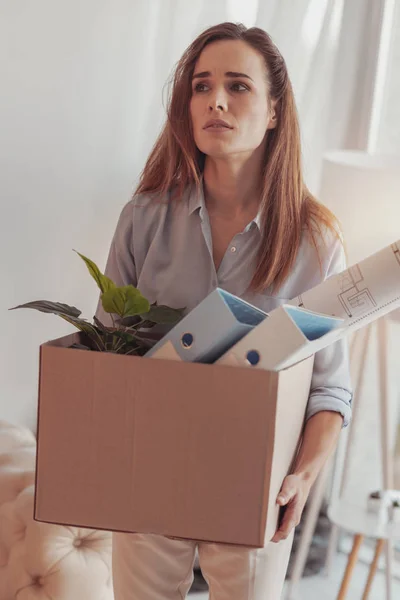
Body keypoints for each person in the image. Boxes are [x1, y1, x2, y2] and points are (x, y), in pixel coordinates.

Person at [96, 21, 352, 600]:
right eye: (201, 86)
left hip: (254, 481)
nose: (216, 100)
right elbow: (106, 352)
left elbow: (331, 389)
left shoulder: (316, 242)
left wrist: (302, 478)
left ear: (273, 112)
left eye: (238, 86)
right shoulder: (143, 219)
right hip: (150, 473)